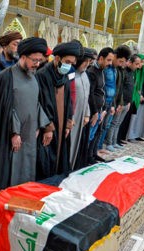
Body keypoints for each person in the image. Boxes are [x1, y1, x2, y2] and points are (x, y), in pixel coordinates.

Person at [0, 37, 50, 198]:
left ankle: (22, 196)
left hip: (29, 133)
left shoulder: (34, 76)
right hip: (11, 135)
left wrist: (40, 126)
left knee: (26, 167)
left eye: (39, 61)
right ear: (23, 56)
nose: (37, 64)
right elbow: (6, 108)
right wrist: (15, 133)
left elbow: (36, 103)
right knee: (9, 168)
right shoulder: (7, 76)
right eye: (34, 60)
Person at [36, 41, 83, 179]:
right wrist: (48, 128)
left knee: (60, 156)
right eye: (67, 61)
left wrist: (68, 123)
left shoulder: (64, 76)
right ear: (57, 59)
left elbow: (69, 101)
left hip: (62, 126)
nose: (69, 65)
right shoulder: (43, 75)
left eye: (72, 63)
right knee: (46, 158)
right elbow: (42, 103)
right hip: (49, 127)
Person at [86, 47, 114, 164]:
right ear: (101, 58)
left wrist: (103, 110)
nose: (110, 63)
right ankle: (86, 158)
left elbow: (102, 91)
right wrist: (95, 112)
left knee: (96, 134)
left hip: (101, 110)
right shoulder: (92, 72)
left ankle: (93, 155)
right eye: (108, 60)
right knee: (90, 136)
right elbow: (91, 94)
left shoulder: (101, 71)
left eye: (111, 60)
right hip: (94, 111)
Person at [101, 45, 131, 152]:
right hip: (106, 103)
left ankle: (108, 143)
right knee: (105, 125)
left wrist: (119, 103)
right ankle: (106, 144)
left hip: (114, 103)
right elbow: (107, 88)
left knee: (109, 124)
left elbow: (118, 89)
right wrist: (114, 104)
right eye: (120, 61)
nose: (122, 64)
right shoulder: (108, 69)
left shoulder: (117, 70)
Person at [70, 48, 96, 170]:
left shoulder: (85, 74)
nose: (87, 64)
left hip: (82, 117)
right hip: (73, 116)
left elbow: (87, 96)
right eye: (85, 61)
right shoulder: (70, 75)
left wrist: (87, 114)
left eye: (89, 61)